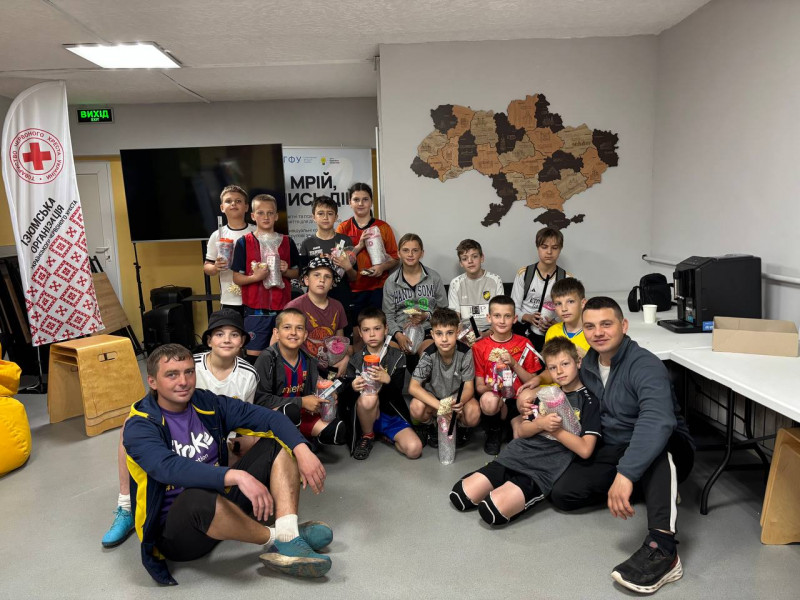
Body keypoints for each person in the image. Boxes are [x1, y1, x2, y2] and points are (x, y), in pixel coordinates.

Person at [123, 343, 332, 584]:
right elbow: (167, 467)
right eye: (172, 375)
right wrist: (234, 475)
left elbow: (271, 418)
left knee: (277, 444)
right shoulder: (139, 425)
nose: (183, 381)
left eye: (189, 372)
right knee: (196, 496)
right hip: (177, 534)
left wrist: (301, 448)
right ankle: (279, 537)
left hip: (222, 502)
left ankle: (288, 533)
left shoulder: (206, 403)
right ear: (152, 381)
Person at [548, 297, 695, 595]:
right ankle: (657, 490)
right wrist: (533, 392)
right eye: (590, 326)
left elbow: (657, 422)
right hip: (615, 446)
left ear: (624, 325)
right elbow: (565, 381)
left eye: (606, 324)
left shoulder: (645, 365)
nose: (598, 332)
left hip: (666, 445)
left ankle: (664, 548)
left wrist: (625, 474)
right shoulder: (589, 363)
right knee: (563, 494)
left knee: (656, 446)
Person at [101, 309, 258, 548]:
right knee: (129, 425)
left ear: (243, 341)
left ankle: (226, 502)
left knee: (258, 442)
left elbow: (245, 419)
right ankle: (126, 506)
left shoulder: (248, 374)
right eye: (219, 334)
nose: (226, 340)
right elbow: (152, 404)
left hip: (218, 440)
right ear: (209, 340)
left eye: (234, 334)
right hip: (178, 436)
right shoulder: (188, 364)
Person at [450, 337, 600, 526]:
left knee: (491, 512)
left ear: (578, 362)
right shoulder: (547, 394)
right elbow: (522, 431)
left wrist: (554, 430)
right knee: (459, 495)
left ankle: (514, 488)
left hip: (542, 468)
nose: (560, 371)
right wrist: (540, 424)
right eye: (553, 367)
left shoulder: (589, 401)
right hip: (517, 454)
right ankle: (501, 479)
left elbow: (585, 450)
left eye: (565, 364)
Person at [253, 308, 346, 446]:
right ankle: (294, 443)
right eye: (287, 327)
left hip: (301, 415)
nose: (293, 332)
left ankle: (301, 438)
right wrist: (302, 402)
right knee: (290, 412)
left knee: (336, 430)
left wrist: (328, 391)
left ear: (305, 335)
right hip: (274, 416)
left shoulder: (308, 360)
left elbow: (315, 385)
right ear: (276, 333)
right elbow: (261, 400)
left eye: (299, 328)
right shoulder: (267, 359)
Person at [472, 295, 546, 455]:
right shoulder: (479, 347)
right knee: (488, 400)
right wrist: (493, 386)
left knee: (519, 441)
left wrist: (514, 364)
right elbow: (479, 387)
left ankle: (513, 427)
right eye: (497, 316)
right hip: (496, 401)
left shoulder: (524, 343)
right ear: (489, 318)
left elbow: (533, 381)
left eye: (507, 316)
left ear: (515, 319)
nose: (502, 321)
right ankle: (494, 429)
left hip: (518, 401)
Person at [346, 307, 421, 460]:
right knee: (369, 398)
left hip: (389, 414)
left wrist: (387, 380)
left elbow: (397, 394)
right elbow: (346, 397)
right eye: (366, 330)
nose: (372, 334)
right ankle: (367, 435)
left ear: (386, 329)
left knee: (414, 449)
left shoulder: (397, 357)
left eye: (377, 328)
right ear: (360, 332)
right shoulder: (355, 360)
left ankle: (384, 435)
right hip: (365, 415)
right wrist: (352, 386)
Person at [231, 194, 300, 359]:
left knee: (283, 354)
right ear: (253, 216)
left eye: (270, 213)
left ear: (276, 216)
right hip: (256, 310)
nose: (266, 217)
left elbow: (296, 273)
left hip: (282, 309)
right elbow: (237, 278)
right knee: (255, 356)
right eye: (260, 213)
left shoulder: (287, 242)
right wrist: (255, 277)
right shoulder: (243, 242)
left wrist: (286, 271)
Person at [408, 308, 480, 449]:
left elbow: (468, 387)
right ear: (432, 335)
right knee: (416, 407)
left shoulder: (465, 353)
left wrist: (457, 403)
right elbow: (413, 387)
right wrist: (441, 407)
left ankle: (460, 428)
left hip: (455, 400)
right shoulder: (428, 355)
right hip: (435, 400)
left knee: (474, 413)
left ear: (457, 333)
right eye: (439, 333)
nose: (445, 339)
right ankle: (432, 427)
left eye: (450, 333)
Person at [335, 182, 399, 338]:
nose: (360, 203)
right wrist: (358, 246)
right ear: (350, 202)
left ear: (371, 202)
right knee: (357, 335)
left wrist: (381, 267)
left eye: (365, 199)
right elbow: (339, 260)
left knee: (377, 333)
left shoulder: (383, 227)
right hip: (352, 289)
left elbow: (395, 258)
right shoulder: (343, 228)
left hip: (378, 289)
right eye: (356, 199)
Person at [382, 233, 447, 363]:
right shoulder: (391, 282)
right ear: (399, 253)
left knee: (429, 356)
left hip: (427, 328)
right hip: (399, 329)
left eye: (415, 250)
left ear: (422, 253)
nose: (410, 254)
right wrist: (398, 336)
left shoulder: (433, 277)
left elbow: (444, 310)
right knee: (389, 356)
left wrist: (427, 315)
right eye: (405, 250)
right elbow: (388, 315)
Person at [284, 257, 350, 378]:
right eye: (316, 275)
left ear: (332, 283)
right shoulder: (294, 307)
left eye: (327, 277)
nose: (322, 280)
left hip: (328, 369)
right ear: (306, 280)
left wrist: (345, 358)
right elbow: (279, 344)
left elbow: (339, 343)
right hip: (300, 368)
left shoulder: (337, 306)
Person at [510, 227, 572, 351]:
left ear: (560, 249)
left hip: (552, 334)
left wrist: (556, 324)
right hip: (523, 331)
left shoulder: (567, 279)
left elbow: (571, 314)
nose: (549, 252)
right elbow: (512, 308)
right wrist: (527, 317)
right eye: (544, 247)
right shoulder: (524, 274)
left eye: (554, 248)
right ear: (538, 247)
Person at [203, 185, 255, 314]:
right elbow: (207, 267)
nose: (233, 204)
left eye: (238, 201)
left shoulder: (257, 232)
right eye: (228, 201)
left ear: (246, 207)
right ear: (222, 208)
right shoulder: (217, 235)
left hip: (256, 297)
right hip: (230, 299)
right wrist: (215, 267)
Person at [299, 195, 355, 310]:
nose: (325, 217)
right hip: (315, 301)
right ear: (313, 217)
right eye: (320, 213)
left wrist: (347, 267)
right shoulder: (307, 244)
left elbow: (354, 277)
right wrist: (319, 264)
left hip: (341, 298)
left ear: (336, 217)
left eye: (330, 213)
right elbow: (302, 279)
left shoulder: (345, 241)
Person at [447, 238, 504, 335]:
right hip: (465, 332)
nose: (470, 261)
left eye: (474, 256)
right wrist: (462, 333)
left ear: (482, 258)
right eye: (465, 259)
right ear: (461, 263)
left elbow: (501, 313)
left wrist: (487, 333)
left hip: (491, 331)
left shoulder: (495, 280)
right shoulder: (455, 283)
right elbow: (455, 317)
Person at [544, 277, 590, 356]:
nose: (564, 309)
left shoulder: (593, 332)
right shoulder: (552, 332)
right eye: (558, 303)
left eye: (570, 302)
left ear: (583, 303)